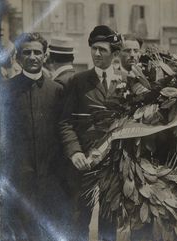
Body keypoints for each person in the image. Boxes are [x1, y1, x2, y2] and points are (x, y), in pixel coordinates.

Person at [0, 32, 66, 240]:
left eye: (37, 52)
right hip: (17, 182)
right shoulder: (5, 90)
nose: (32, 57)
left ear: (45, 56)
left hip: (50, 181)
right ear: (18, 57)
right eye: (26, 52)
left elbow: (63, 134)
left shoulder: (57, 90)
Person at [59, 25, 122, 241]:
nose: (96, 53)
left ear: (115, 54)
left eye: (102, 50)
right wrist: (74, 152)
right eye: (94, 48)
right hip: (84, 163)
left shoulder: (125, 83)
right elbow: (65, 122)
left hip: (113, 165)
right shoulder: (78, 81)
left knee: (108, 224)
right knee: (78, 220)